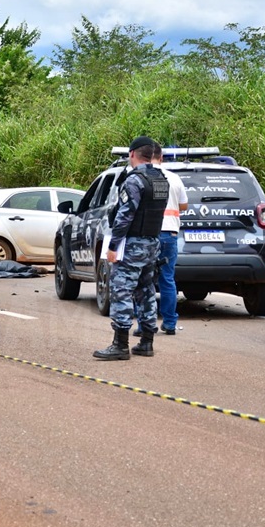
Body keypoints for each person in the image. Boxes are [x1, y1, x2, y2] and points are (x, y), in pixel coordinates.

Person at [94, 136, 169, 360]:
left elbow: (125, 216)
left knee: (120, 290)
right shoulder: (161, 179)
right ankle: (146, 342)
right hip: (152, 243)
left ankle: (120, 344)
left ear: (133, 154)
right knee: (146, 291)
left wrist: (113, 245)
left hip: (132, 243)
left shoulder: (134, 180)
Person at [134, 143, 189, 338]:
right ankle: (170, 323)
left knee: (143, 278)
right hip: (170, 234)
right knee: (167, 278)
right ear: (162, 158)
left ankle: (143, 323)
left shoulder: (142, 177)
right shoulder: (174, 178)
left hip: (148, 233)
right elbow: (184, 205)